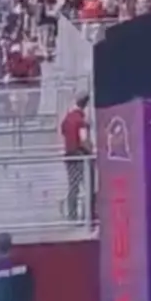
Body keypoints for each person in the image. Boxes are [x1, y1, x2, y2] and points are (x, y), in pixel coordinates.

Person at [60, 92, 92, 220]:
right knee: (88, 185)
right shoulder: (80, 121)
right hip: (80, 156)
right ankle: (88, 215)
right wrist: (90, 152)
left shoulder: (67, 119)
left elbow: (64, 132)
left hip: (69, 156)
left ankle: (72, 214)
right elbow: (83, 140)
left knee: (73, 186)